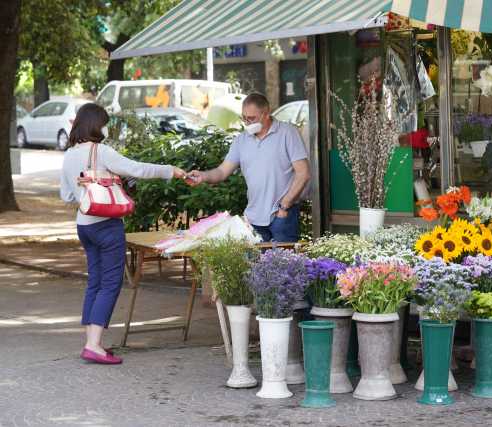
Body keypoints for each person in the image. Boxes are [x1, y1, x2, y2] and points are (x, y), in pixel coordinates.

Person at [60, 103, 186, 365]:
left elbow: (66, 195)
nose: (106, 128)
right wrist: (169, 170)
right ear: (96, 124)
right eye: (104, 123)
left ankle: (91, 341)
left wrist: (87, 190)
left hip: (84, 224)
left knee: (95, 282)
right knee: (110, 283)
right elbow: (137, 169)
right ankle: (94, 345)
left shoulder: (69, 154)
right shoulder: (101, 151)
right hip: (106, 225)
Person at [187, 93, 311, 243]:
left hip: (282, 215)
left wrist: (284, 206)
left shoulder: (287, 133)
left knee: (286, 264)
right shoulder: (241, 140)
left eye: (251, 118)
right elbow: (221, 172)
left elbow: (303, 173)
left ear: (266, 114)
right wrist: (203, 176)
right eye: (244, 118)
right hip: (253, 217)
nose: (247, 122)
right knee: (255, 266)